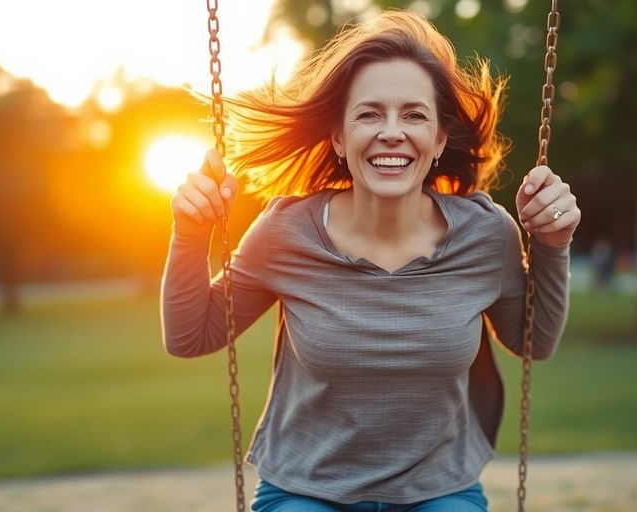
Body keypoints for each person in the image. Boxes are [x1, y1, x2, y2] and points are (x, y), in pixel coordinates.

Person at [162, 10, 580, 511]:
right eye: (368, 114)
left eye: (414, 114)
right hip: (306, 491)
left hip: (438, 492)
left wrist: (553, 246)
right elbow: (191, 337)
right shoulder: (286, 233)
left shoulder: (484, 237)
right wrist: (189, 233)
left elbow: (533, 342)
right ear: (339, 137)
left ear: (440, 139)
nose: (391, 132)